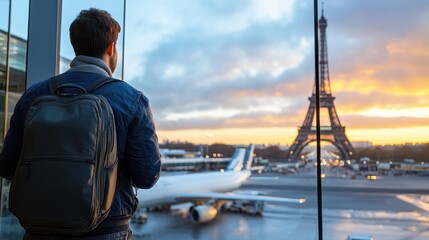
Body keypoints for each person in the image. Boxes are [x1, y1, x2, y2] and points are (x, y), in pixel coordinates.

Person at [0, 8, 161, 239]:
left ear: (76, 47)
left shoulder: (34, 95)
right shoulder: (131, 100)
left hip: (39, 230)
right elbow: (147, 176)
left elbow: (7, 166)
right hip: (105, 230)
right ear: (111, 48)